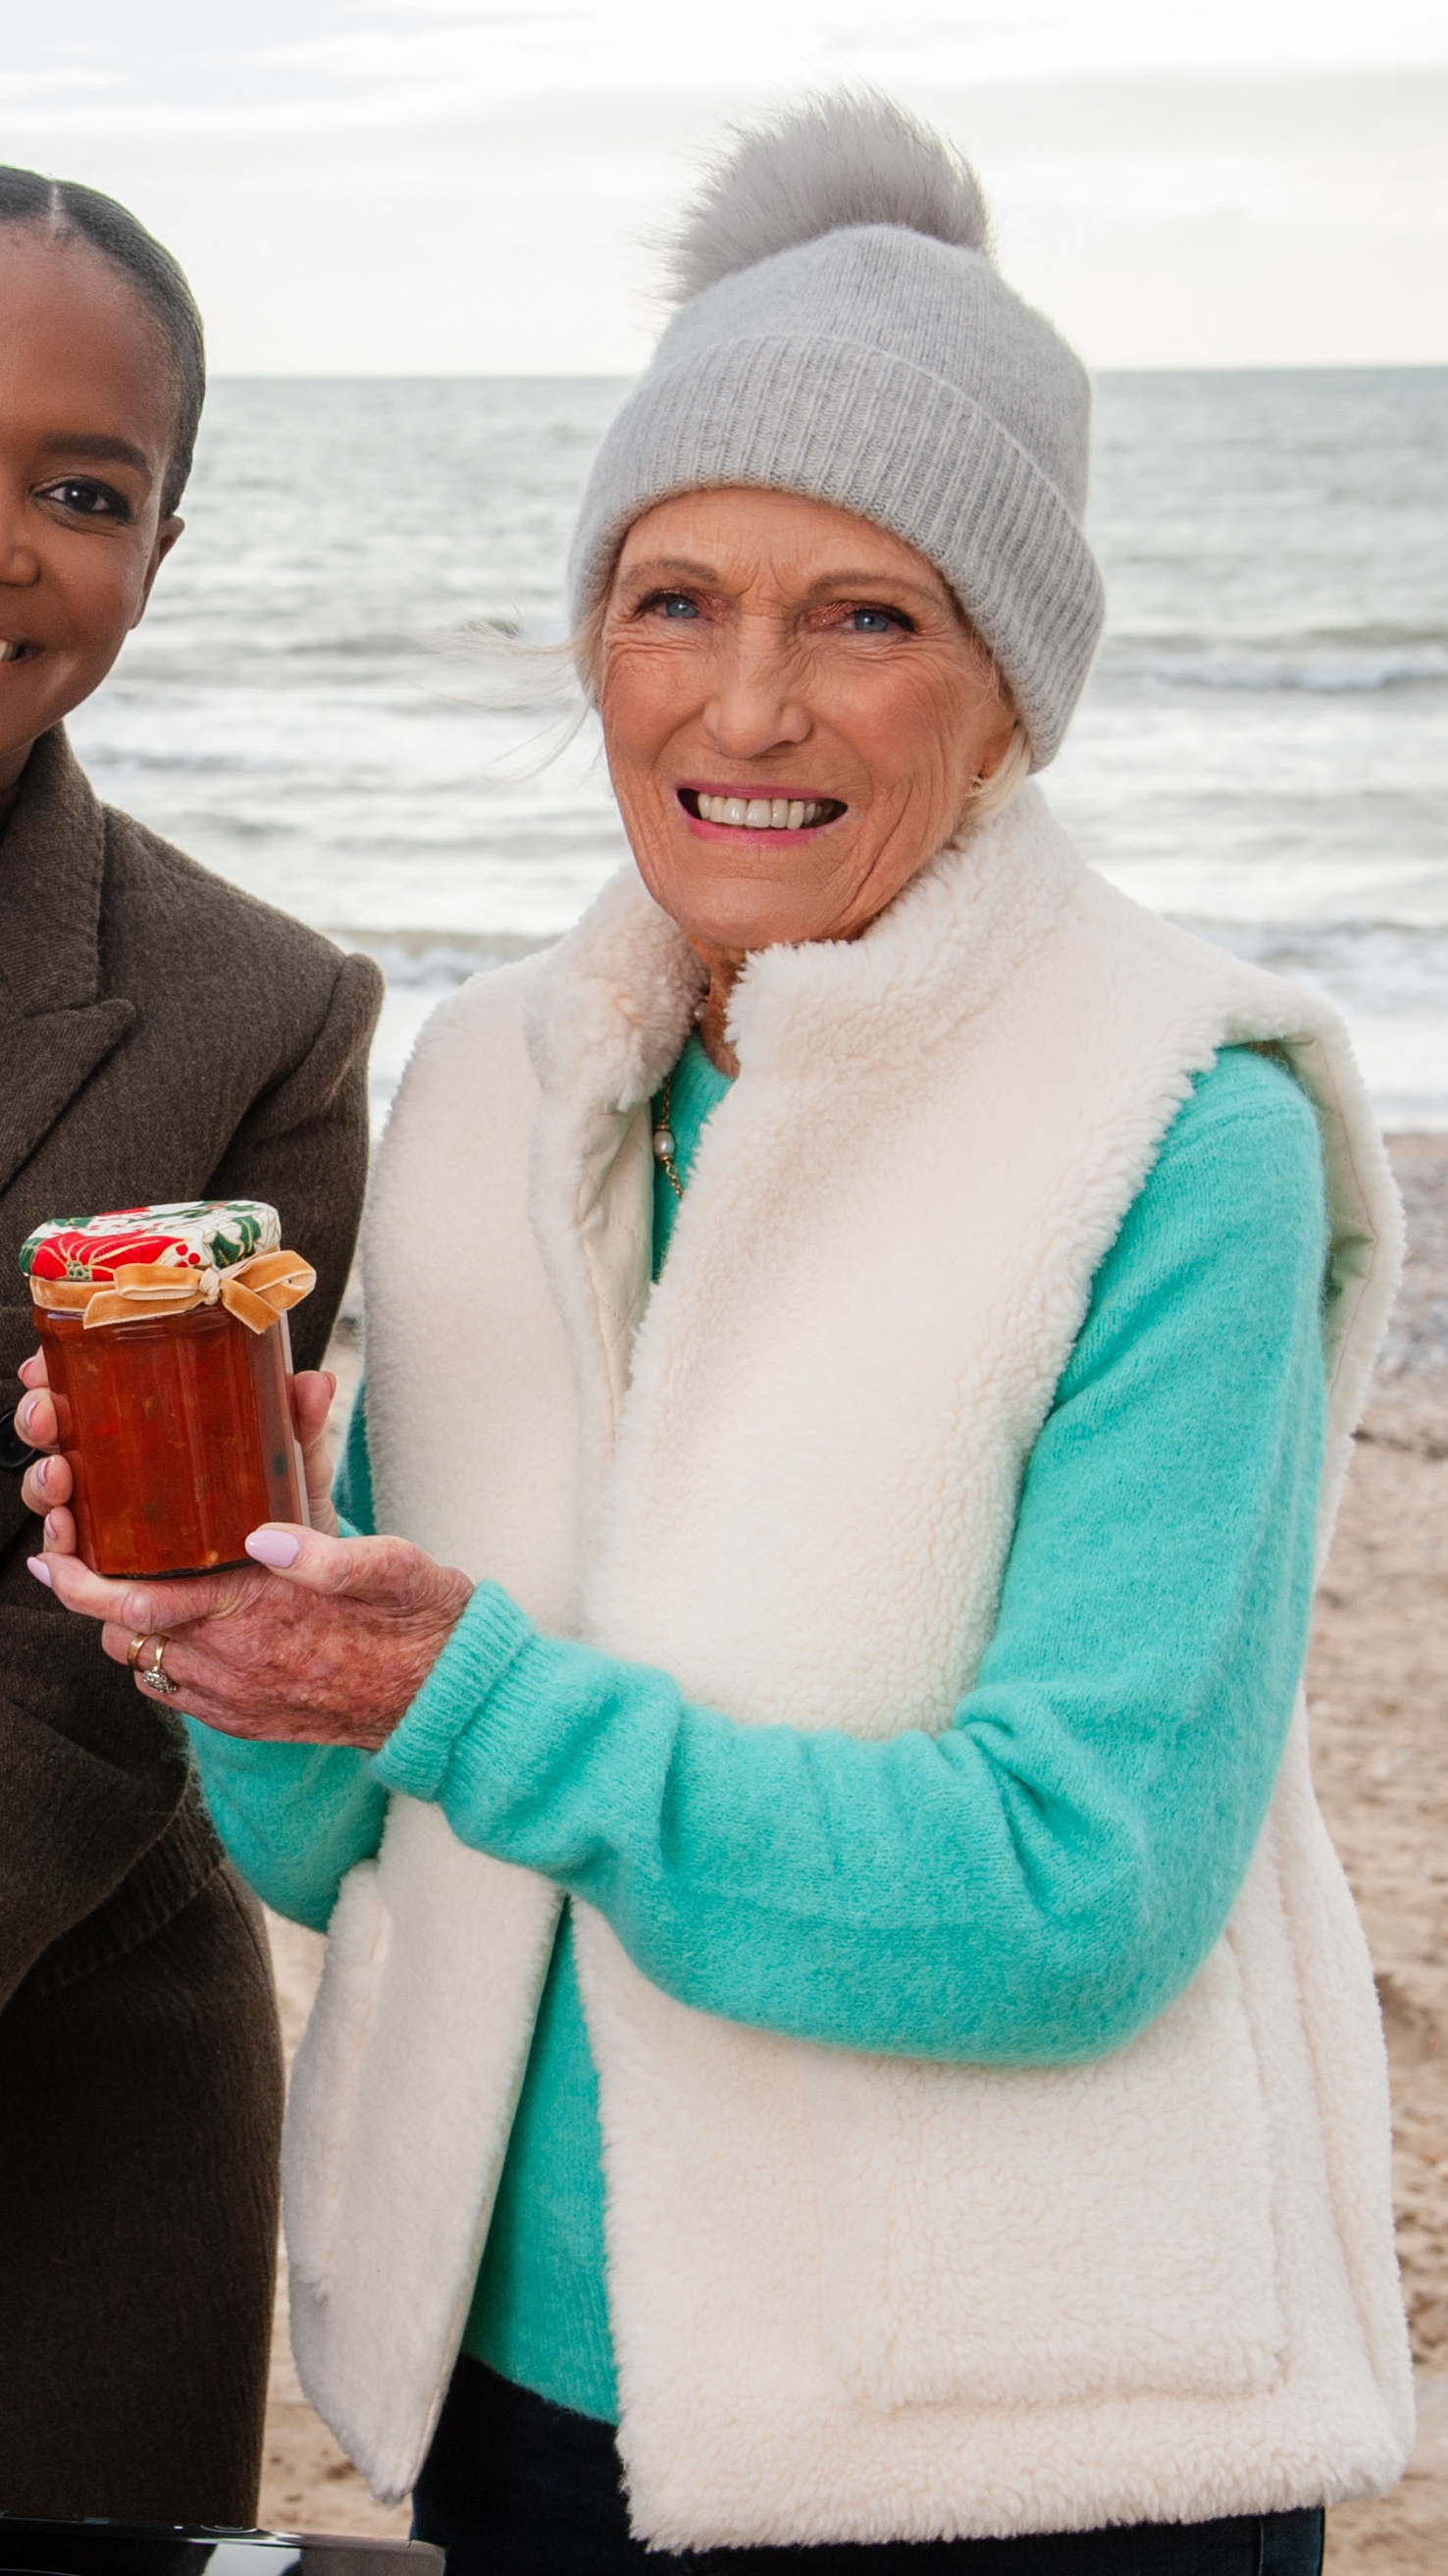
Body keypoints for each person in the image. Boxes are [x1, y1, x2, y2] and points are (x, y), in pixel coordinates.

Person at [27, 98, 1410, 2572]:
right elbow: (370, 1855)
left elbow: (1069, 1891)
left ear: (1016, 675)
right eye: (672, 600)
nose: (743, 705)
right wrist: (243, 1649)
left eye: (865, 616)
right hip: (512, 2398)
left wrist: (455, 1691)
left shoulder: (1183, 1132)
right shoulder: (489, 1083)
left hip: (1017, 2454)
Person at [0, 171, 381, 2517]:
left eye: (82, 488)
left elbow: (134, 1626)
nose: (15, 540)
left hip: (60, 2109)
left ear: (165, 542)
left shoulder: (258, 1015)